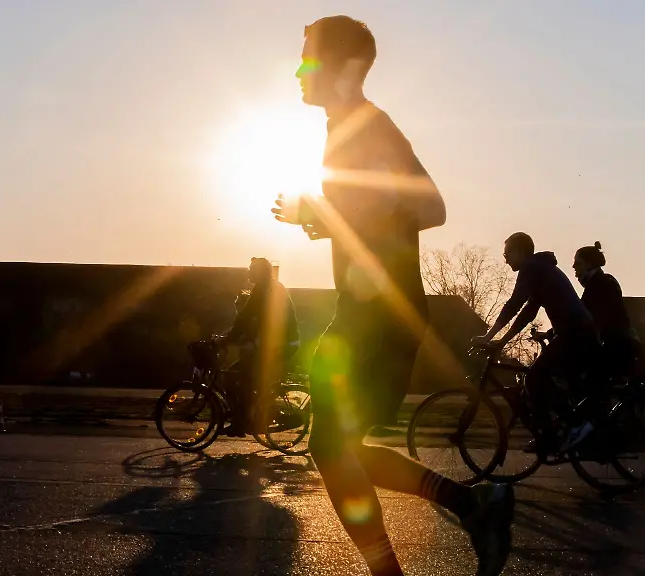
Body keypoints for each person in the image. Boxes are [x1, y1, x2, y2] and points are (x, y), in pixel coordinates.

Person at [271, 16, 514, 576]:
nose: (299, 70)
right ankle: (471, 506)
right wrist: (331, 219)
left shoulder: (367, 127)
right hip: (367, 313)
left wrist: (328, 211)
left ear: (341, 66)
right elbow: (395, 211)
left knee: (332, 448)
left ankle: (418, 549)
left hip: (379, 315)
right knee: (340, 447)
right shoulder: (350, 127)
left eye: (308, 58)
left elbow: (426, 207)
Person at [471, 232, 601, 456]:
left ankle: (560, 432)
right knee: (544, 379)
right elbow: (527, 314)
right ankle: (567, 428)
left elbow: (514, 304)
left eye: (507, 253)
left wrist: (487, 336)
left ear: (520, 251)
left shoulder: (531, 268)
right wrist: (500, 341)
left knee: (533, 378)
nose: (505, 259)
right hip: (578, 332)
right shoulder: (541, 269)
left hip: (574, 333)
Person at [217, 257, 300, 437]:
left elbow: (245, 318)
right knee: (237, 375)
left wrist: (227, 339)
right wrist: (230, 337)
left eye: (252, 269)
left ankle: (243, 421)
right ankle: (248, 417)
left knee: (242, 377)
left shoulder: (263, 290)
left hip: (281, 343)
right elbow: (249, 320)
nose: (249, 272)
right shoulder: (271, 287)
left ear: (261, 272)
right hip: (279, 342)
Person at [571, 241, 640, 377]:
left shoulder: (600, 285)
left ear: (589, 264)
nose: (573, 267)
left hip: (617, 346)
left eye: (578, 263)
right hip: (620, 344)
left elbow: (588, 317)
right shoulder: (599, 283)